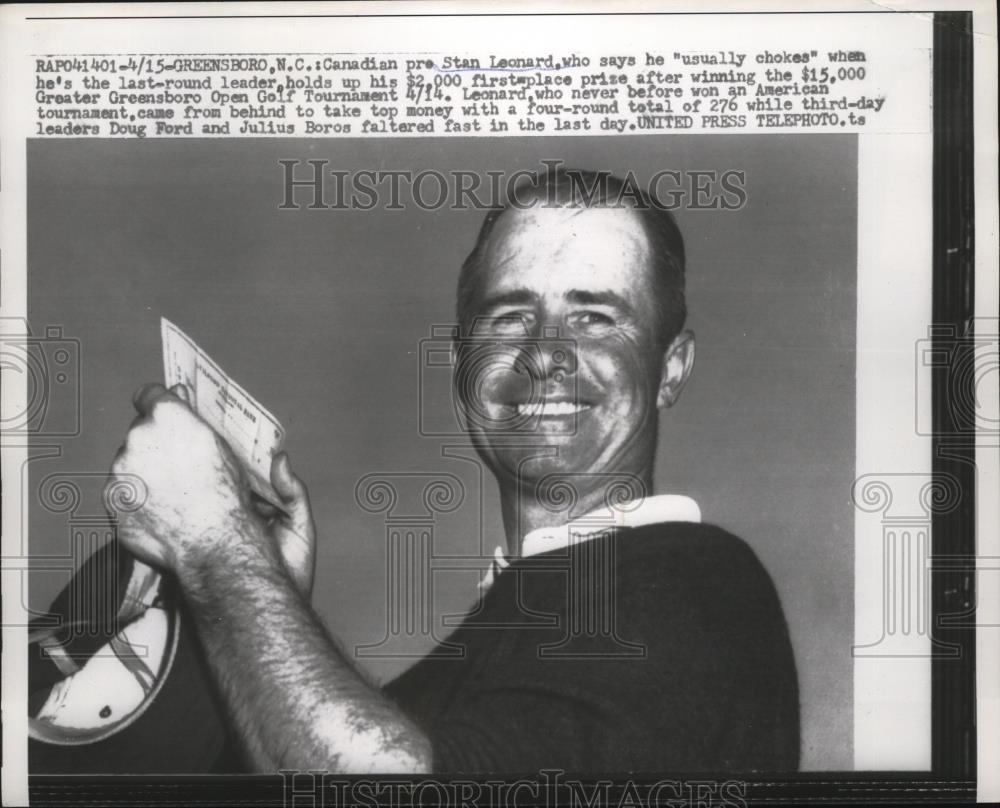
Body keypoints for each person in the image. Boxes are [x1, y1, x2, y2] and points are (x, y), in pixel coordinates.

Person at [29, 168, 799, 773]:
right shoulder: (473, 671)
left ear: (671, 368)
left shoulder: (702, 585)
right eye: (510, 316)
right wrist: (251, 604)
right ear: (464, 366)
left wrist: (220, 546)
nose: (543, 353)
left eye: (595, 317)